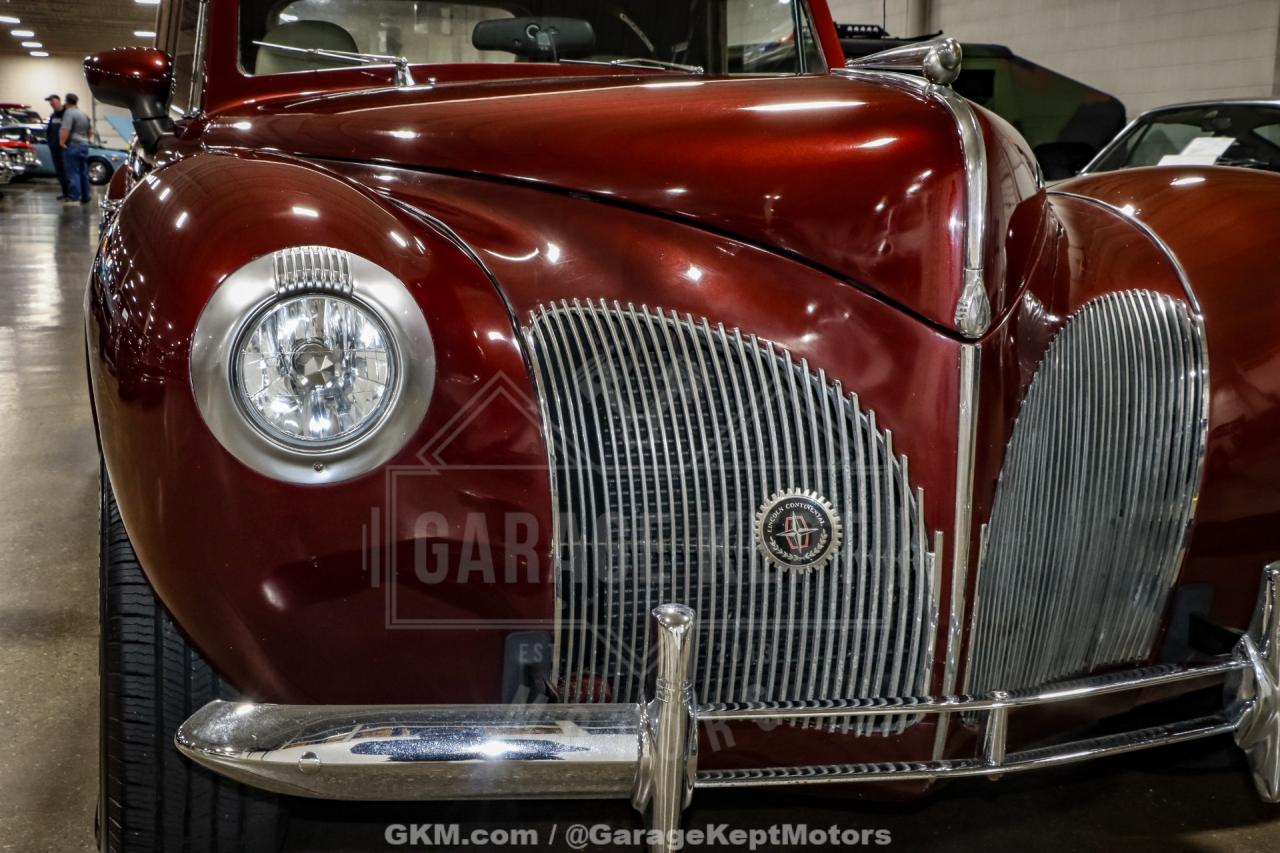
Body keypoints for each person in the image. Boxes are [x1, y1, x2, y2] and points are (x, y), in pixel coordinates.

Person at [58, 93, 92, 206]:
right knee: (83, 172)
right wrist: (86, 140)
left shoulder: (69, 113)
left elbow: (65, 128)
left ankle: (74, 198)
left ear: (66, 101)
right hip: (84, 146)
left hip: (73, 146)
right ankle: (86, 196)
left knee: (73, 172)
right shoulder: (83, 114)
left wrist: (62, 142)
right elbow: (90, 131)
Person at [43, 94, 69, 200]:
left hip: (63, 149)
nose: (52, 105)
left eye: (53, 103)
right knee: (59, 172)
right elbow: (49, 130)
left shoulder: (66, 114)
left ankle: (70, 194)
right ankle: (65, 192)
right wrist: (49, 141)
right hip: (54, 148)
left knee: (66, 171)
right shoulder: (53, 115)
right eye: (50, 104)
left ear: (59, 101)